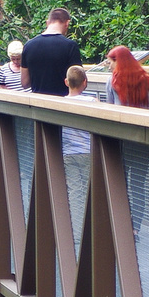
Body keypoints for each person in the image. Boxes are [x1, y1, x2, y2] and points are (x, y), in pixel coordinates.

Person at [105, 45, 149, 234]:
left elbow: (110, 109)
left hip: (122, 140)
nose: (108, 66)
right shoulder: (145, 80)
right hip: (143, 140)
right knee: (138, 184)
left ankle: (121, 224)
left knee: (120, 181)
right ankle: (136, 229)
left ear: (118, 62)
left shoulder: (113, 82)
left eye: (110, 62)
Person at [61, 65, 98, 251]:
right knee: (92, 191)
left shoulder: (61, 103)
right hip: (88, 152)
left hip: (69, 153)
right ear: (85, 82)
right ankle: (93, 231)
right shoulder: (92, 101)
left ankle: (77, 233)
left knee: (75, 193)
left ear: (66, 82)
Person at [19, 8, 82, 96]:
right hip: (63, 103)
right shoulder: (70, 46)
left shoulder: (28, 46)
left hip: (37, 103)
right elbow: (77, 81)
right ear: (67, 23)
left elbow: (25, 83)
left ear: (47, 23)